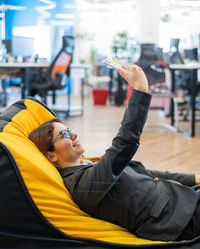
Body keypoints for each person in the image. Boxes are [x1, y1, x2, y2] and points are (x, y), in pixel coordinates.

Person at [29, 64, 200, 242]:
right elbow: (124, 144)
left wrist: (192, 178)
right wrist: (140, 91)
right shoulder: (82, 186)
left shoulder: (88, 165)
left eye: (69, 129)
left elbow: (146, 174)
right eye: (63, 134)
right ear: (51, 155)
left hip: (180, 199)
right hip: (176, 218)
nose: (73, 134)